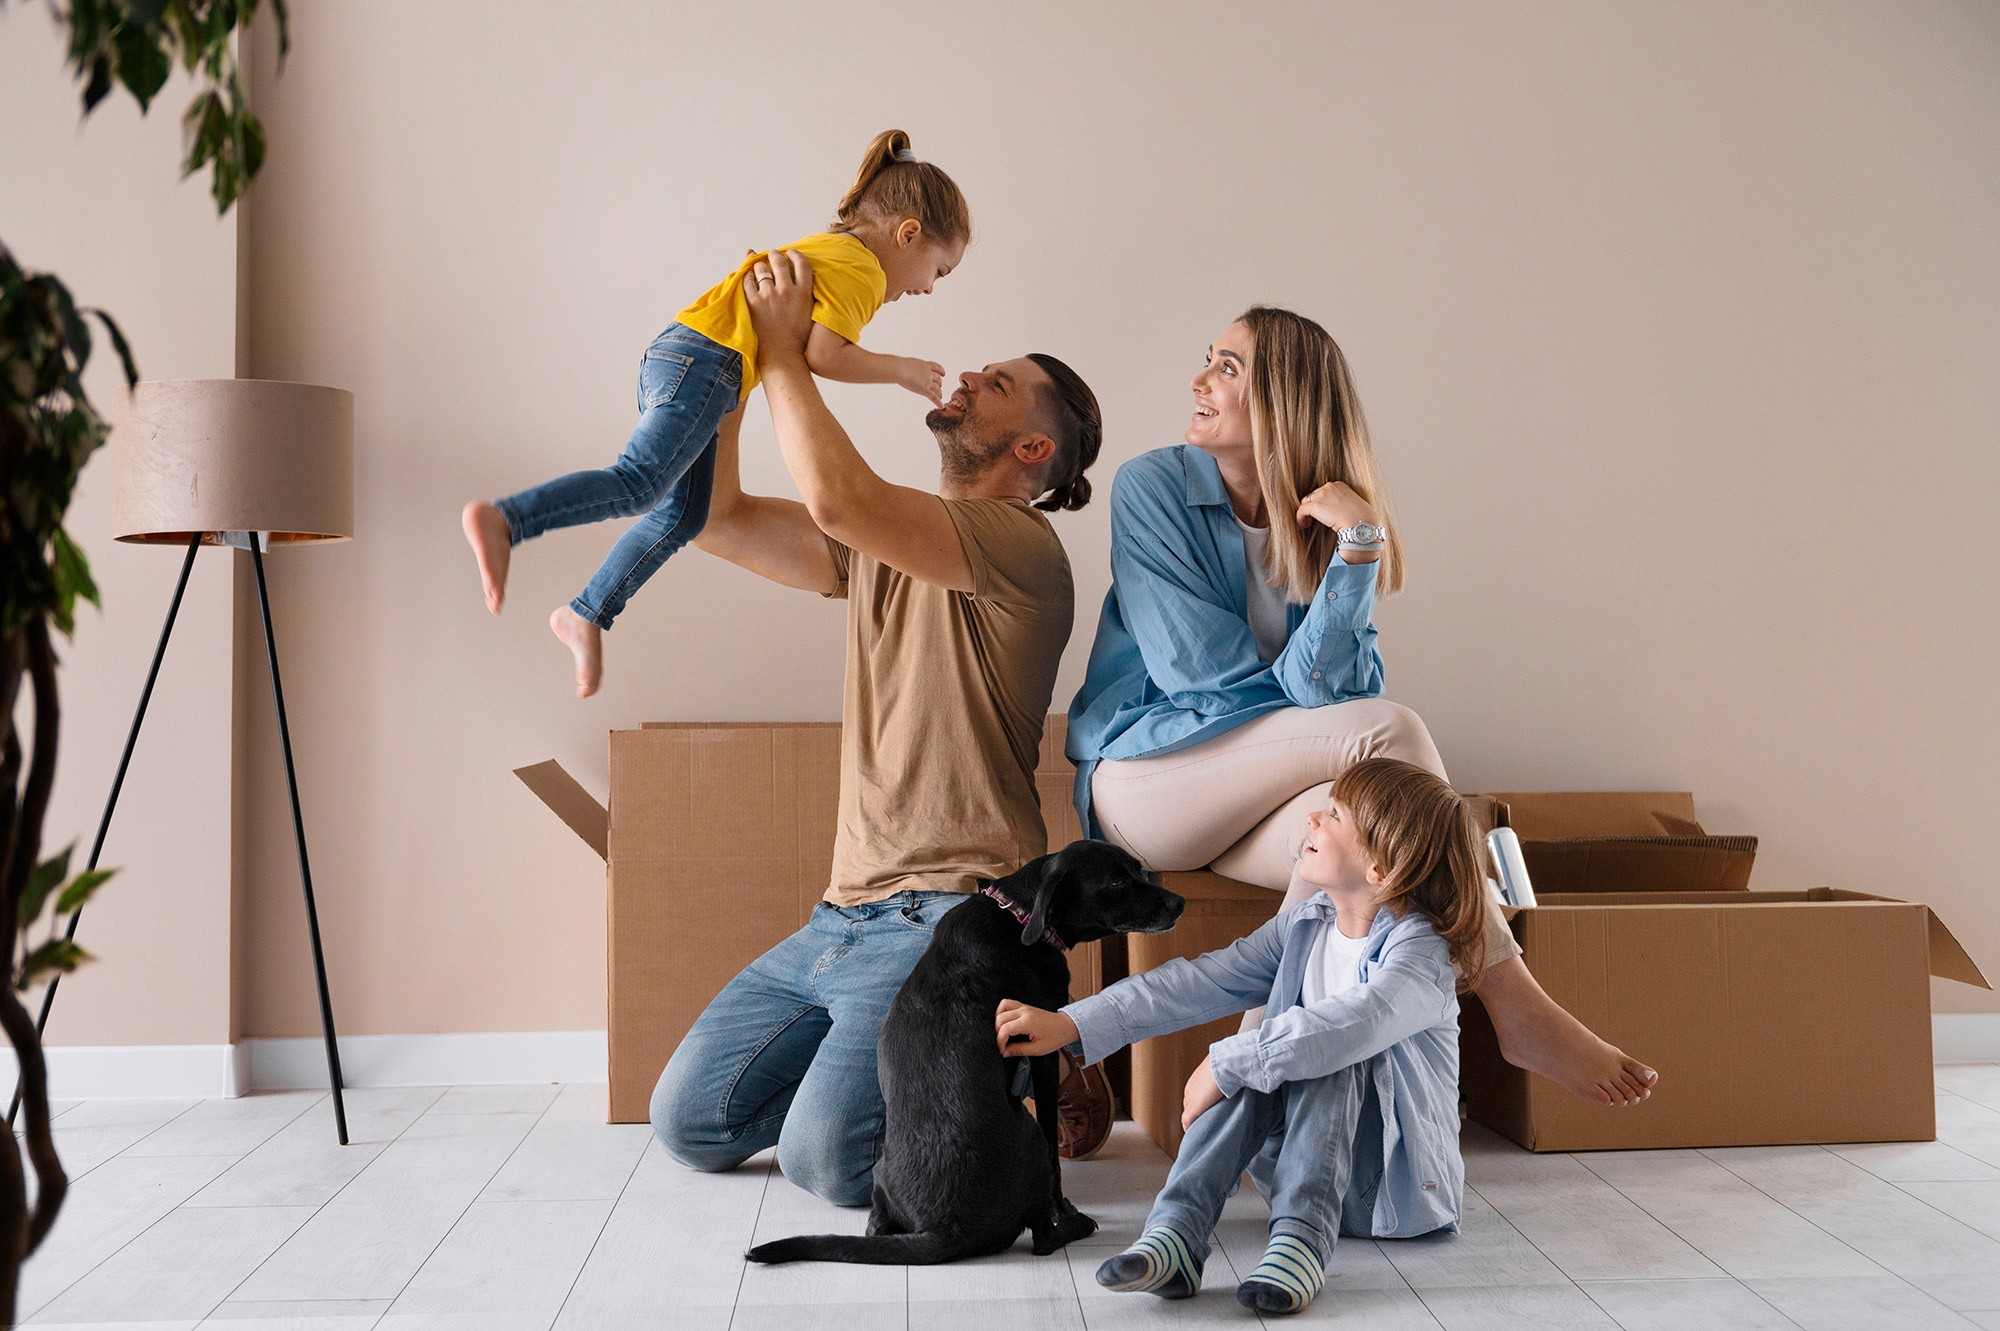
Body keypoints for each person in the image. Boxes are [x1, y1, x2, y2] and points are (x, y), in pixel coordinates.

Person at [1066, 306, 1655, 1107]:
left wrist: (1355, 550)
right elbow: (1201, 677)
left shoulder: (1333, 518)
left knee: (1354, 832)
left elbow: (1331, 693)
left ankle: (1245, 1080)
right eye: (1208, 361)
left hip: (1258, 801)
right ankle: (1514, 1000)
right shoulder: (1152, 487)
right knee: (1392, 733)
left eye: (1228, 368)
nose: (1198, 382)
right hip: (1149, 778)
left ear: (1286, 402)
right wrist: (1314, 681)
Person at [648, 246, 1104, 1205]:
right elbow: (715, 516)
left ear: (1032, 451)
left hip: (954, 918)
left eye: (1003, 385)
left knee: (829, 1165)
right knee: (689, 1122)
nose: (971, 375)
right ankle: (975, 1071)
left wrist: (784, 348)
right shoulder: (880, 549)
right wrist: (727, 369)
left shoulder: (1024, 547)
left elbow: (837, 498)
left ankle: (1011, 1064)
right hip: (842, 914)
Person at [461, 129, 968, 698]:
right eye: (939, 272)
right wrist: (900, 369)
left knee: (683, 518)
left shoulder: (839, 249)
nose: (928, 290)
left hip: (696, 360)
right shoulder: (866, 272)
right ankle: (510, 520)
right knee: (639, 483)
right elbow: (824, 356)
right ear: (908, 235)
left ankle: (586, 612)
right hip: (703, 361)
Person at [997, 759, 1487, 1314]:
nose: (1312, 818)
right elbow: (1204, 980)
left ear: (1378, 867)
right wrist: (1073, 1023)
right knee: (1272, 1051)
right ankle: (1177, 1233)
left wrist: (1225, 1061)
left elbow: (1356, 1024)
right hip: (1302, 1176)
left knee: (1312, 1048)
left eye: (1332, 815)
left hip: (1388, 1196)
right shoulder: (1308, 921)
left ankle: (1302, 1244)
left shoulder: (1421, 954)